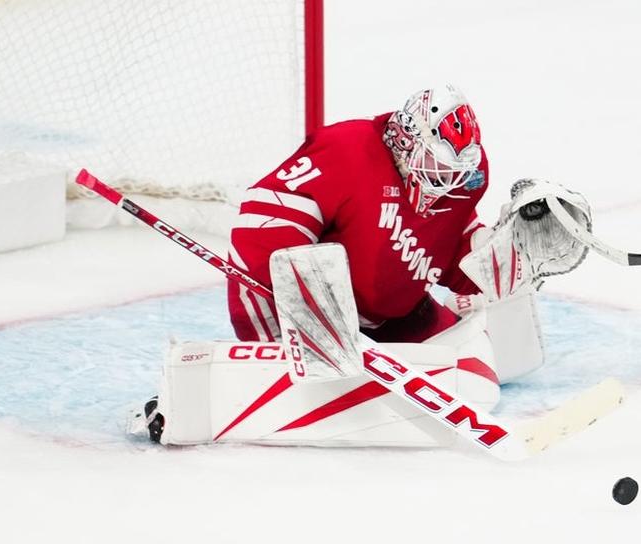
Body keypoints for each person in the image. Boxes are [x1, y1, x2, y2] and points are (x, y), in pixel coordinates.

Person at [132, 85, 591, 446]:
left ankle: (357, 376)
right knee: (321, 356)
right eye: (437, 166)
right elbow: (262, 220)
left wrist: (507, 255)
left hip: (392, 316)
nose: (447, 183)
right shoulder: (348, 150)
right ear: (406, 141)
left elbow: (446, 251)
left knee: (475, 371)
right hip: (306, 314)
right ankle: (221, 392)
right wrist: (302, 313)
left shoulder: (464, 178)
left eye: (457, 172)